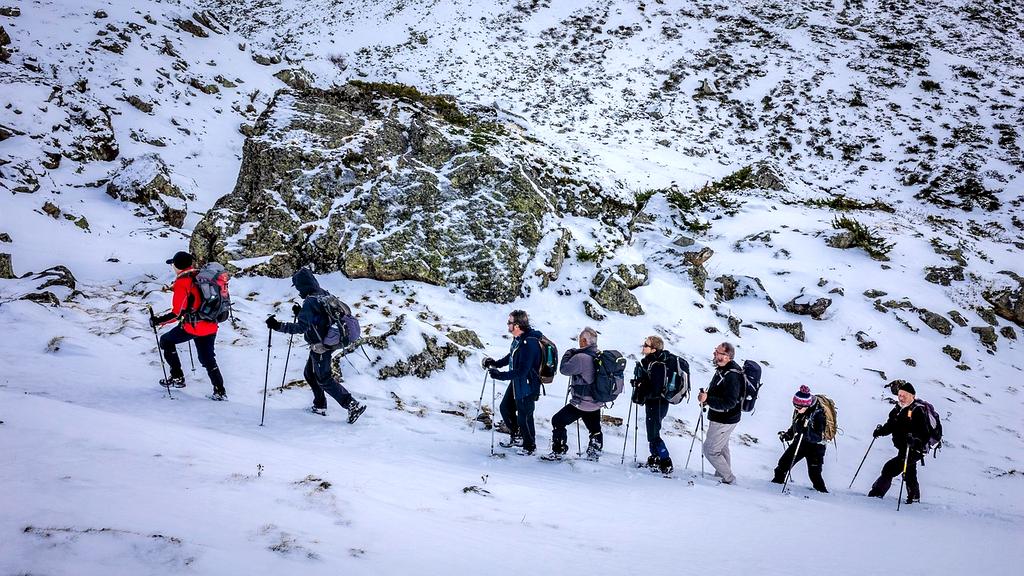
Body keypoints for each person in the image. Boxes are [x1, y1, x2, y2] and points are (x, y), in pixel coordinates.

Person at [265, 268, 366, 424]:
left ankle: (352, 405)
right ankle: (319, 405)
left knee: (324, 379)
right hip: (324, 341)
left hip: (321, 346)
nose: (297, 290)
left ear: (302, 285)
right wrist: (301, 313)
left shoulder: (311, 302)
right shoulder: (323, 293)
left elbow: (301, 328)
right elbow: (318, 319)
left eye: (298, 287)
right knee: (309, 374)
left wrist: (277, 326)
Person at [150, 251, 227, 400]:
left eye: (173, 264)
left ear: (177, 266)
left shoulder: (182, 282)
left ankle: (177, 377)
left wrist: (158, 321)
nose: (172, 266)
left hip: (193, 326)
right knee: (207, 358)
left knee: (166, 341)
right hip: (211, 323)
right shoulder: (201, 276)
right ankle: (220, 391)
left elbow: (177, 313)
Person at [483, 310, 544, 455]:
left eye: (509, 322)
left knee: (525, 415)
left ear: (516, 325)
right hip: (518, 383)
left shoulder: (529, 343)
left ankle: (530, 446)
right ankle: (517, 436)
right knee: (505, 408)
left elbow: (523, 370)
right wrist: (496, 363)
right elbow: (512, 356)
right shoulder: (518, 339)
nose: (507, 325)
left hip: (528, 384)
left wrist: (500, 375)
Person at [543, 327, 604, 461]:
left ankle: (559, 451)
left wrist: (568, 353)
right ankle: (594, 453)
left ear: (583, 341)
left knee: (557, 420)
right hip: (596, 401)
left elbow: (564, 369)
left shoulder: (581, 357)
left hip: (581, 403)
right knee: (595, 429)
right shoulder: (598, 355)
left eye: (579, 339)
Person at [868, 382, 929, 504]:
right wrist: (880, 432)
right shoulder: (897, 410)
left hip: (914, 449)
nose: (901, 397)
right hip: (904, 447)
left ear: (912, 396)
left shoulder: (918, 411)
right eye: (900, 395)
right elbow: (891, 425)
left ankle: (876, 493)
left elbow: (924, 433)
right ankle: (914, 497)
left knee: (889, 468)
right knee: (910, 472)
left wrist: (915, 441)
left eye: (904, 395)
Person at [697, 341, 742, 484]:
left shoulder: (732, 375)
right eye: (715, 351)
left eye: (718, 352)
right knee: (721, 447)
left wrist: (708, 399)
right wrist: (707, 398)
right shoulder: (723, 369)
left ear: (727, 356)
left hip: (724, 419)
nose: (714, 354)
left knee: (710, 450)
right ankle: (721, 475)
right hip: (722, 417)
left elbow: (730, 402)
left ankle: (728, 479)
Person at [771, 385, 828, 492]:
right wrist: (788, 435)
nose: (796, 409)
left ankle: (822, 493)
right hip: (800, 443)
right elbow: (796, 424)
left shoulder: (819, 414)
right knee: (783, 464)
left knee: (814, 474)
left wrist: (806, 433)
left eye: (799, 408)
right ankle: (776, 485)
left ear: (807, 405)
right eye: (795, 406)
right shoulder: (800, 409)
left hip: (816, 448)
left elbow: (819, 436)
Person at [631, 335, 673, 474]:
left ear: (654, 349)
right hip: (656, 403)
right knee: (652, 431)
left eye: (646, 345)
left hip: (658, 403)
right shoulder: (650, 362)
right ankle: (654, 459)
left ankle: (665, 461)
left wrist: (641, 386)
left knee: (653, 433)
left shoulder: (657, 365)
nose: (643, 346)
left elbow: (655, 388)